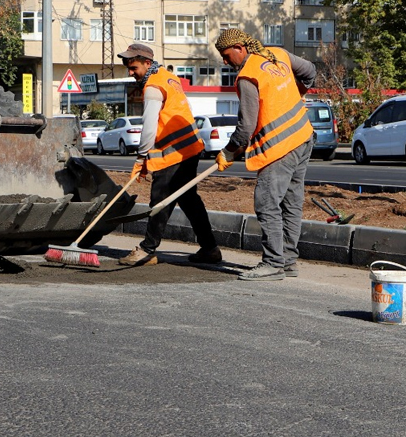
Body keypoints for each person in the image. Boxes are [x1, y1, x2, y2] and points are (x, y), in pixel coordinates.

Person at [213, 29, 316, 281]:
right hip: (303, 136)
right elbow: (310, 71)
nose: (226, 62)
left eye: (226, 56)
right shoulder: (277, 55)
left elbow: (245, 127)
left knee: (267, 203)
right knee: (291, 204)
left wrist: (228, 152)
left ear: (240, 47)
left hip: (279, 147)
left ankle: (273, 263)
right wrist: (297, 91)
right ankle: (288, 262)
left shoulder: (248, 76)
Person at [117, 44, 222, 267]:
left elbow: (149, 125)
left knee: (160, 201)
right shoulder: (168, 77)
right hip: (190, 149)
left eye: (133, 67)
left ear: (147, 63)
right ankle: (210, 248)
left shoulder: (153, 86)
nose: (130, 72)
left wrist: (141, 156)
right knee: (188, 199)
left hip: (173, 154)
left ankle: (147, 250)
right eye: (128, 67)